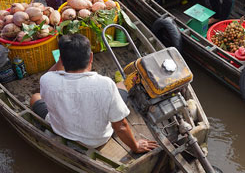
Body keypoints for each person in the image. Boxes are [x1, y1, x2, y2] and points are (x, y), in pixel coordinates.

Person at [30, 34, 158, 153]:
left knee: (35, 97)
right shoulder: (105, 85)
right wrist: (135, 146)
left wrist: (62, 60)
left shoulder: (47, 79)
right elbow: (121, 127)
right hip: (94, 141)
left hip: (61, 131)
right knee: (123, 85)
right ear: (91, 57)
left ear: (61, 60)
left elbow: (51, 74)